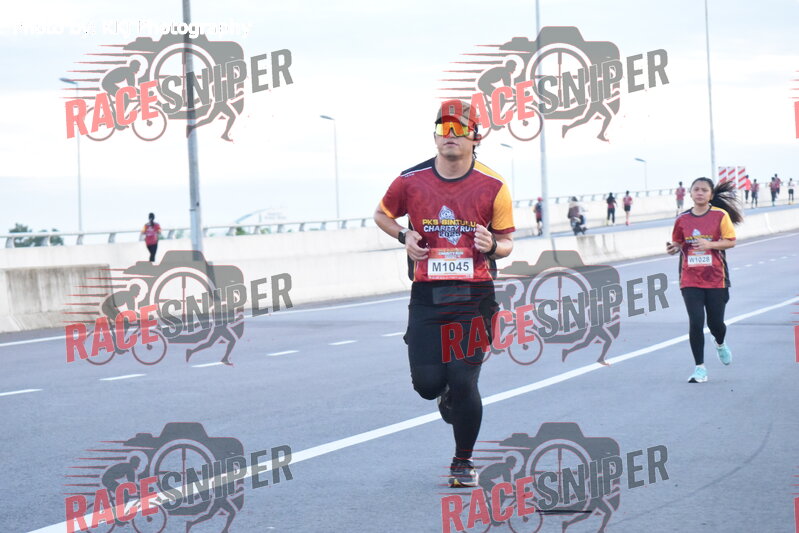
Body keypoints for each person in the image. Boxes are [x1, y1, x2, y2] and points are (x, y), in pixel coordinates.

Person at [373, 100, 515, 488]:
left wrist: (492, 245)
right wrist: (404, 235)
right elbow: (382, 214)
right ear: (435, 136)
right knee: (428, 385)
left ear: (475, 137)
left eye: (459, 129)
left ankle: (462, 462)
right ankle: (444, 392)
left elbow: (507, 243)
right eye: (443, 128)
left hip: (474, 297)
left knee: (464, 381)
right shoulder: (410, 181)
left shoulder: (494, 185)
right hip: (427, 296)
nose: (450, 135)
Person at [666, 177, 743, 383]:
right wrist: (673, 248)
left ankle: (720, 342)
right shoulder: (682, 219)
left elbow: (731, 242)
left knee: (716, 323)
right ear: (690, 193)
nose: (700, 193)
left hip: (716, 278)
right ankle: (699, 368)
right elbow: (678, 242)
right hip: (690, 278)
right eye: (696, 190)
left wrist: (710, 245)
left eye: (704, 190)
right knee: (696, 322)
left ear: (711, 195)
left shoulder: (720, 215)